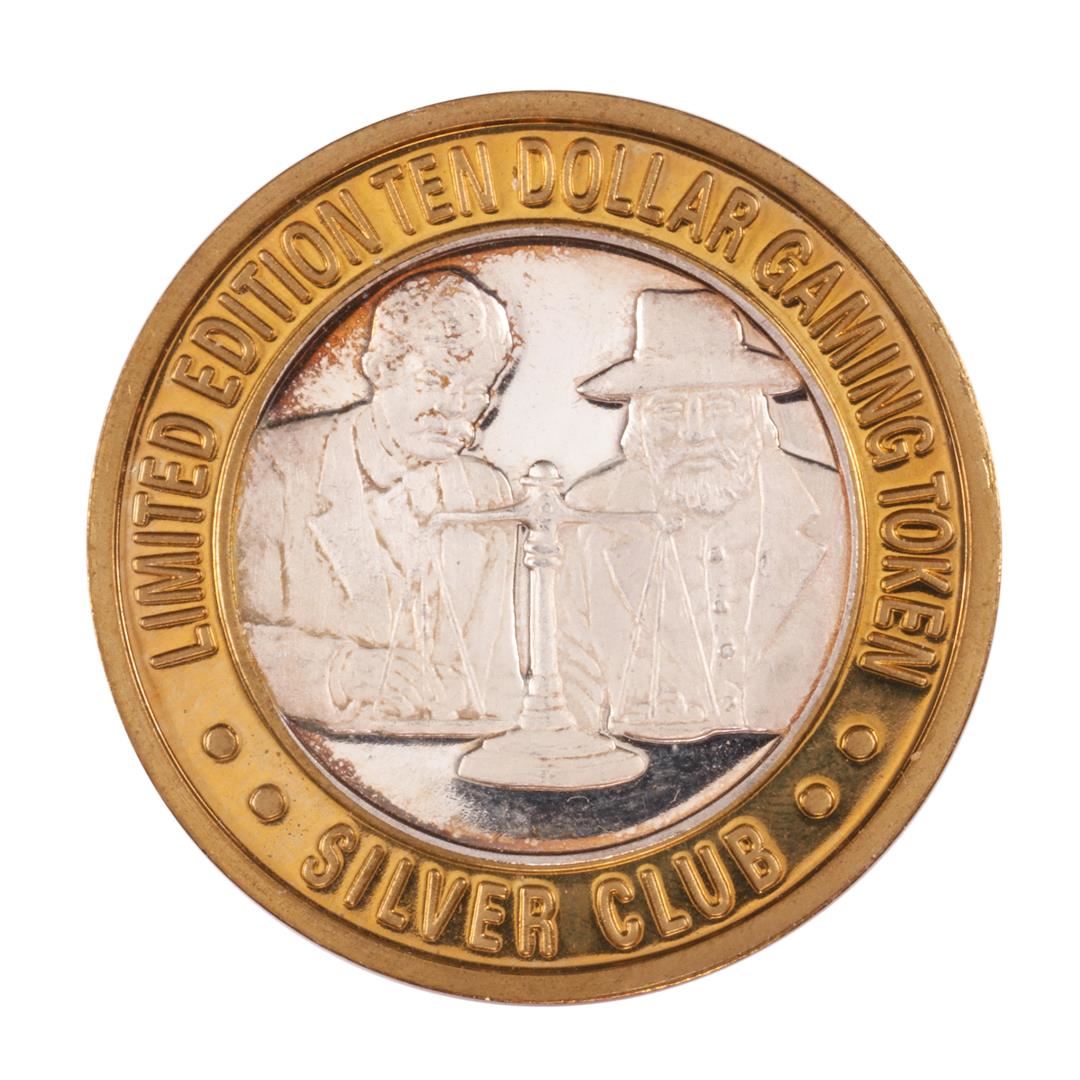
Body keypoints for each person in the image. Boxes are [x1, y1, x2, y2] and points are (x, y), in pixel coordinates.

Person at [237, 269, 521, 736]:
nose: (455, 409)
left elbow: (498, 676)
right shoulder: (274, 467)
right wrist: (343, 673)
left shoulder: (488, 492)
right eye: (435, 378)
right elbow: (226, 634)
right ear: (382, 367)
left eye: (475, 393)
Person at [558, 289, 847, 741]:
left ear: (757, 417)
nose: (696, 434)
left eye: (719, 407)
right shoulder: (587, 514)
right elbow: (569, 681)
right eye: (670, 410)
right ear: (638, 426)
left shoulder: (832, 505)